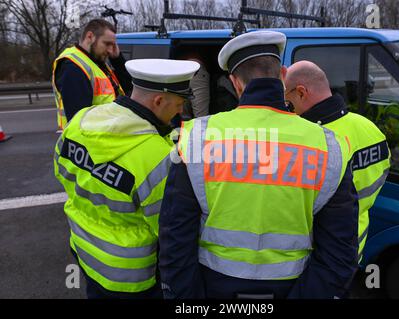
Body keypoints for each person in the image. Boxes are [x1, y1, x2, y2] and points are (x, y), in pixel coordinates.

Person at [158, 31, 359, 299]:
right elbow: (340, 252)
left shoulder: (195, 137)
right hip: (295, 287)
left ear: (235, 83)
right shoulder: (328, 145)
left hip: (213, 287)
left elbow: (175, 239)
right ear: (283, 75)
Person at [54, 58, 200, 298]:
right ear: (159, 100)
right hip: (129, 278)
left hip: (85, 252)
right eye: (179, 103)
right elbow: (168, 229)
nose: (181, 111)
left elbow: (61, 172)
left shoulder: (81, 121)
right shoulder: (158, 158)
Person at [285, 60, 391, 262]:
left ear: (301, 92)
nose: (287, 108)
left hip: (317, 252)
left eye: (287, 100)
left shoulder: (310, 141)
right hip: (353, 246)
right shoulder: (369, 128)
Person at [52, 19, 132, 131]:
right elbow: (81, 122)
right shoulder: (73, 67)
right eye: (107, 43)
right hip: (91, 143)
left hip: (105, 137)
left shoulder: (97, 62)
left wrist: (117, 59)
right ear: (90, 37)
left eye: (113, 44)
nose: (110, 50)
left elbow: (129, 89)